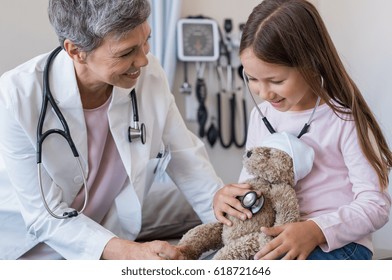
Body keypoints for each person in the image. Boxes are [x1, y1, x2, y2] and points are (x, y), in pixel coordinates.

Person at [0, 0, 224, 260]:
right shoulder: (17, 95)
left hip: (105, 231)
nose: (142, 60)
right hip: (28, 247)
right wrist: (130, 253)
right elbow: (43, 216)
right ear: (76, 51)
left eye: (146, 41)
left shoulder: (149, 75)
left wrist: (223, 212)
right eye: (126, 52)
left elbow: (184, 155)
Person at [213, 0, 392, 260]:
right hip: (275, 235)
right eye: (252, 78)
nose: (264, 92)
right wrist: (227, 198)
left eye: (276, 80)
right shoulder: (259, 115)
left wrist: (315, 230)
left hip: (338, 244)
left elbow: (376, 206)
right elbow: (251, 184)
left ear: (310, 63)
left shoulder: (344, 119)